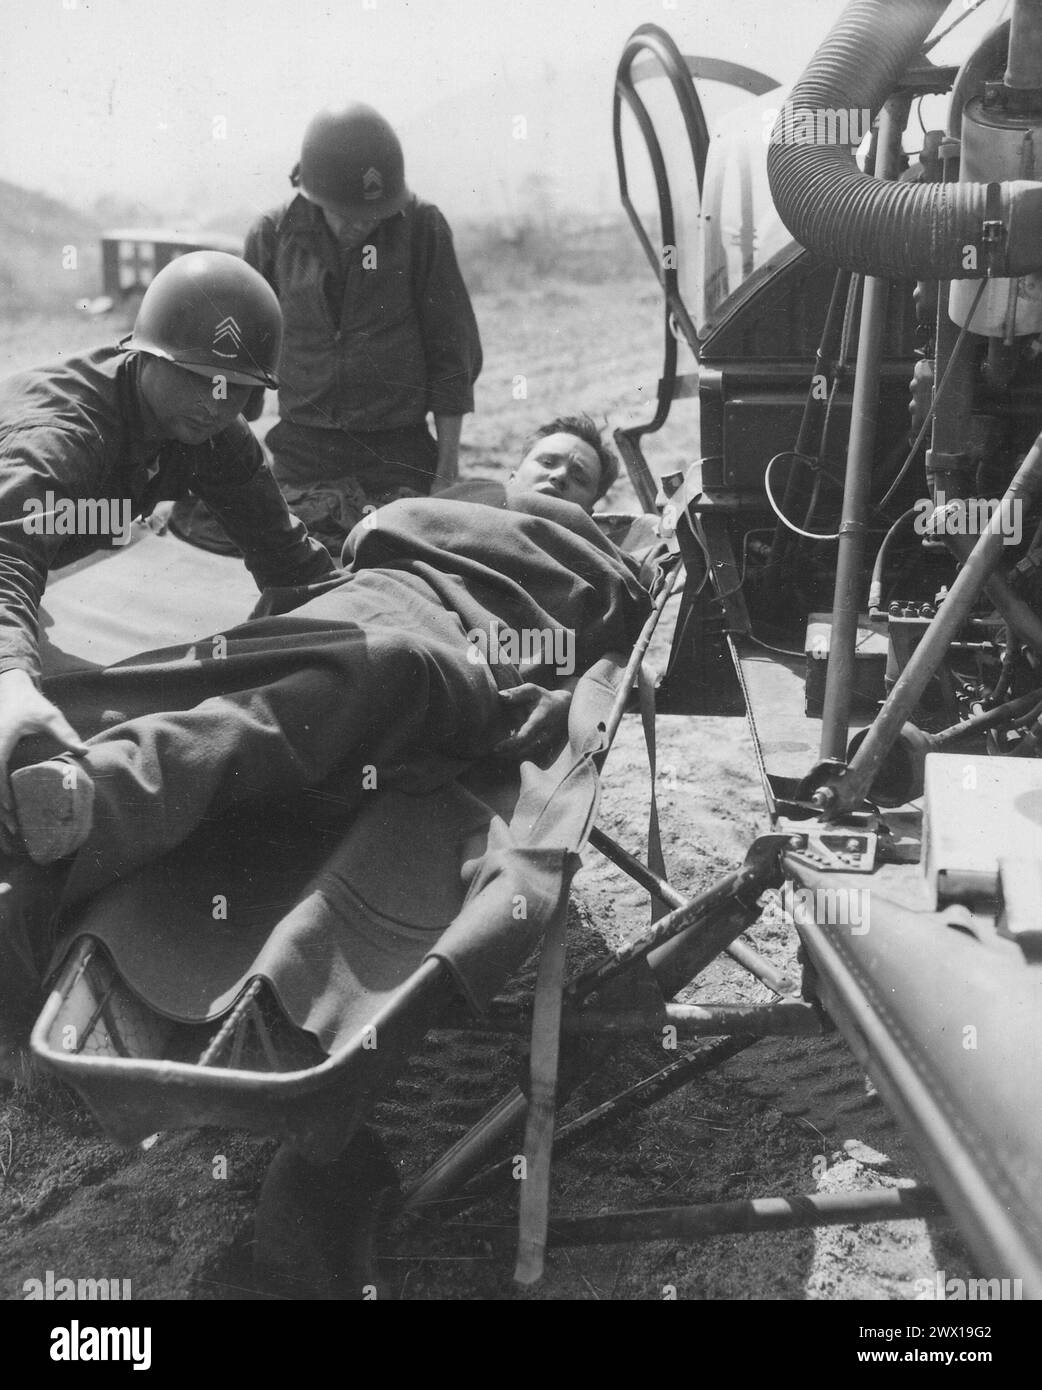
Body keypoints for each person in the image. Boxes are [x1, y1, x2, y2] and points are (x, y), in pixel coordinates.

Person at [0, 418, 642, 1073]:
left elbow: (596, 628)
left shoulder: (580, 546)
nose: (559, 475)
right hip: (365, 600)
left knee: (373, 670)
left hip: (450, 647)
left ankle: (95, 794)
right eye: (547, 458)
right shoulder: (460, 499)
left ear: (590, 503)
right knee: (223, 673)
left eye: (579, 474)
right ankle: (60, 777)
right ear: (516, 466)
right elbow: (374, 540)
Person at [0, 250, 335, 855]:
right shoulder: (64, 433)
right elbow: (6, 558)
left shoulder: (210, 431)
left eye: (236, 388)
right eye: (198, 376)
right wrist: (9, 678)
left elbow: (287, 557)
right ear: (145, 355)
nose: (215, 400)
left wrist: (373, 606)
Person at [176, 102, 483, 559]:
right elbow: (240, 354)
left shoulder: (422, 229)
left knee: (404, 553)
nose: (364, 223)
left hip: (397, 452)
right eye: (350, 213)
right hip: (302, 451)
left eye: (373, 213)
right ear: (313, 196)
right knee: (240, 535)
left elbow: (451, 352)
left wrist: (447, 468)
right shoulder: (273, 234)